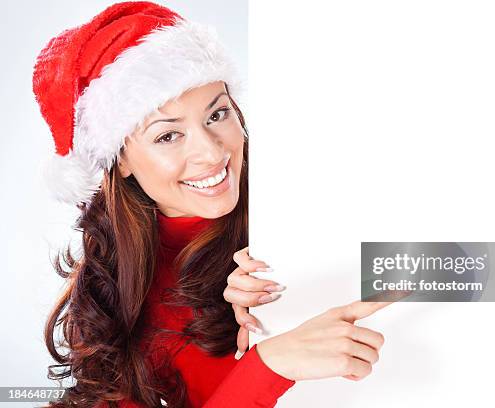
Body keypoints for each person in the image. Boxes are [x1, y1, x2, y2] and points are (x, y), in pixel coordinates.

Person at [33, 2, 391, 407]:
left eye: (217, 113)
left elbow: (468, 269)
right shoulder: (112, 295)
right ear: (122, 162)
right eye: (168, 136)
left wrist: (323, 274)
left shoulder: (308, 202)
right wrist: (269, 367)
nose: (210, 152)